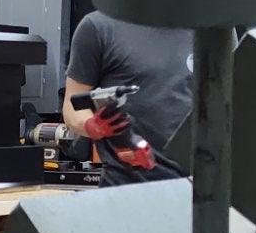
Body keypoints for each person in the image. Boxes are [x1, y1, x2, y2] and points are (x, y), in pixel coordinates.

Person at [62, 10, 193, 184]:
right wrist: (92, 125)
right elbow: (72, 106)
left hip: (197, 190)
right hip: (126, 187)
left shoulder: (214, 30)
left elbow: (231, 105)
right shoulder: (100, 27)